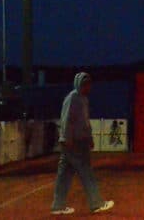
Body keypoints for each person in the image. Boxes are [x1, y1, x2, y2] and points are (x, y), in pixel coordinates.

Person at [51, 72, 114, 215]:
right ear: (80, 85)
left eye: (89, 84)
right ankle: (96, 203)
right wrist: (67, 140)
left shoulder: (83, 99)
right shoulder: (73, 98)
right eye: (86, 84)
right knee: (87, 173)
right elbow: (67, 121)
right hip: (74, 144)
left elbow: (84, 123)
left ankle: (58, 205)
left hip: (75, 142)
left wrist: (89, 138)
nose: (89, 87)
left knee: (64, 175)